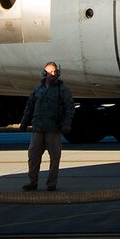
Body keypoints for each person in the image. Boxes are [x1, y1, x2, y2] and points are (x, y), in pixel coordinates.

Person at [19, 61, 76, 191]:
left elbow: (70, 108)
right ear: (44, 73)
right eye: (50, 72)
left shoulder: (63, 90)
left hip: (54, 129)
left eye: (55, 72)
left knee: (55, 158)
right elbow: (29, 107)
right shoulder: (37, 89)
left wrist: (67, 124)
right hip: (38, 128)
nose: (53, 74)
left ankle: (51, 183)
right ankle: (32, 181)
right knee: (33, 157)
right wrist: (24, 123)